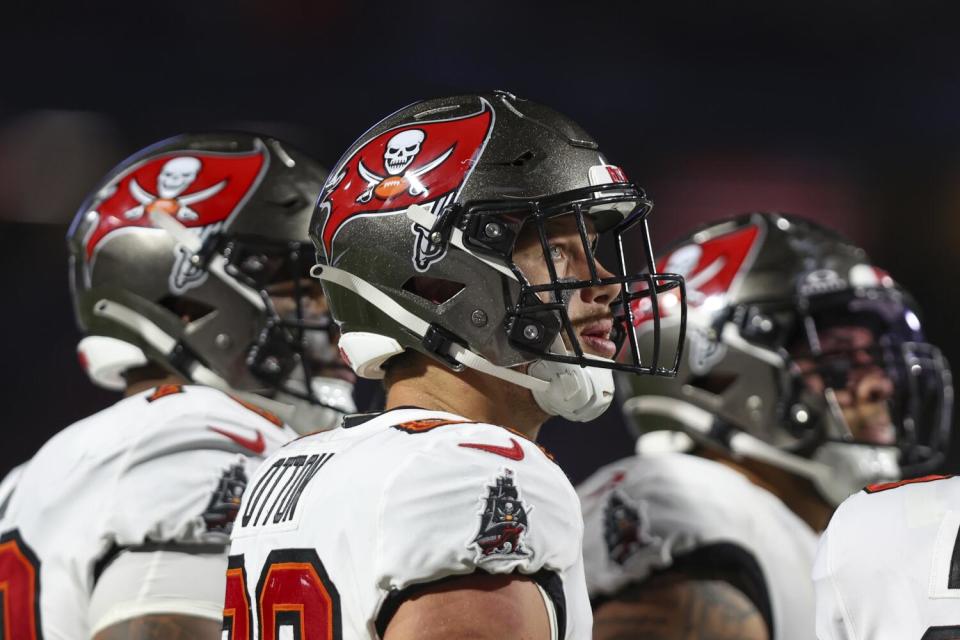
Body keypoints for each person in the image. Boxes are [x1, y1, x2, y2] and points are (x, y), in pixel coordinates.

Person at [223, 91, 685, 640]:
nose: (606, 284)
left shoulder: (296, 465)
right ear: (438, 281)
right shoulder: (475, 468)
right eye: (557, 249)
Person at [0, 132, 355, 639]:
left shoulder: (29, 478)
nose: (329, 314)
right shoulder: (197, 439)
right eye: (297, 285)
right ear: (185, 303)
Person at [578, 213, 952, 639]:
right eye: (840, 353)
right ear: (715, 372)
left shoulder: (810, 536)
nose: (880, 385)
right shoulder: (695, 508)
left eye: (877, 355)